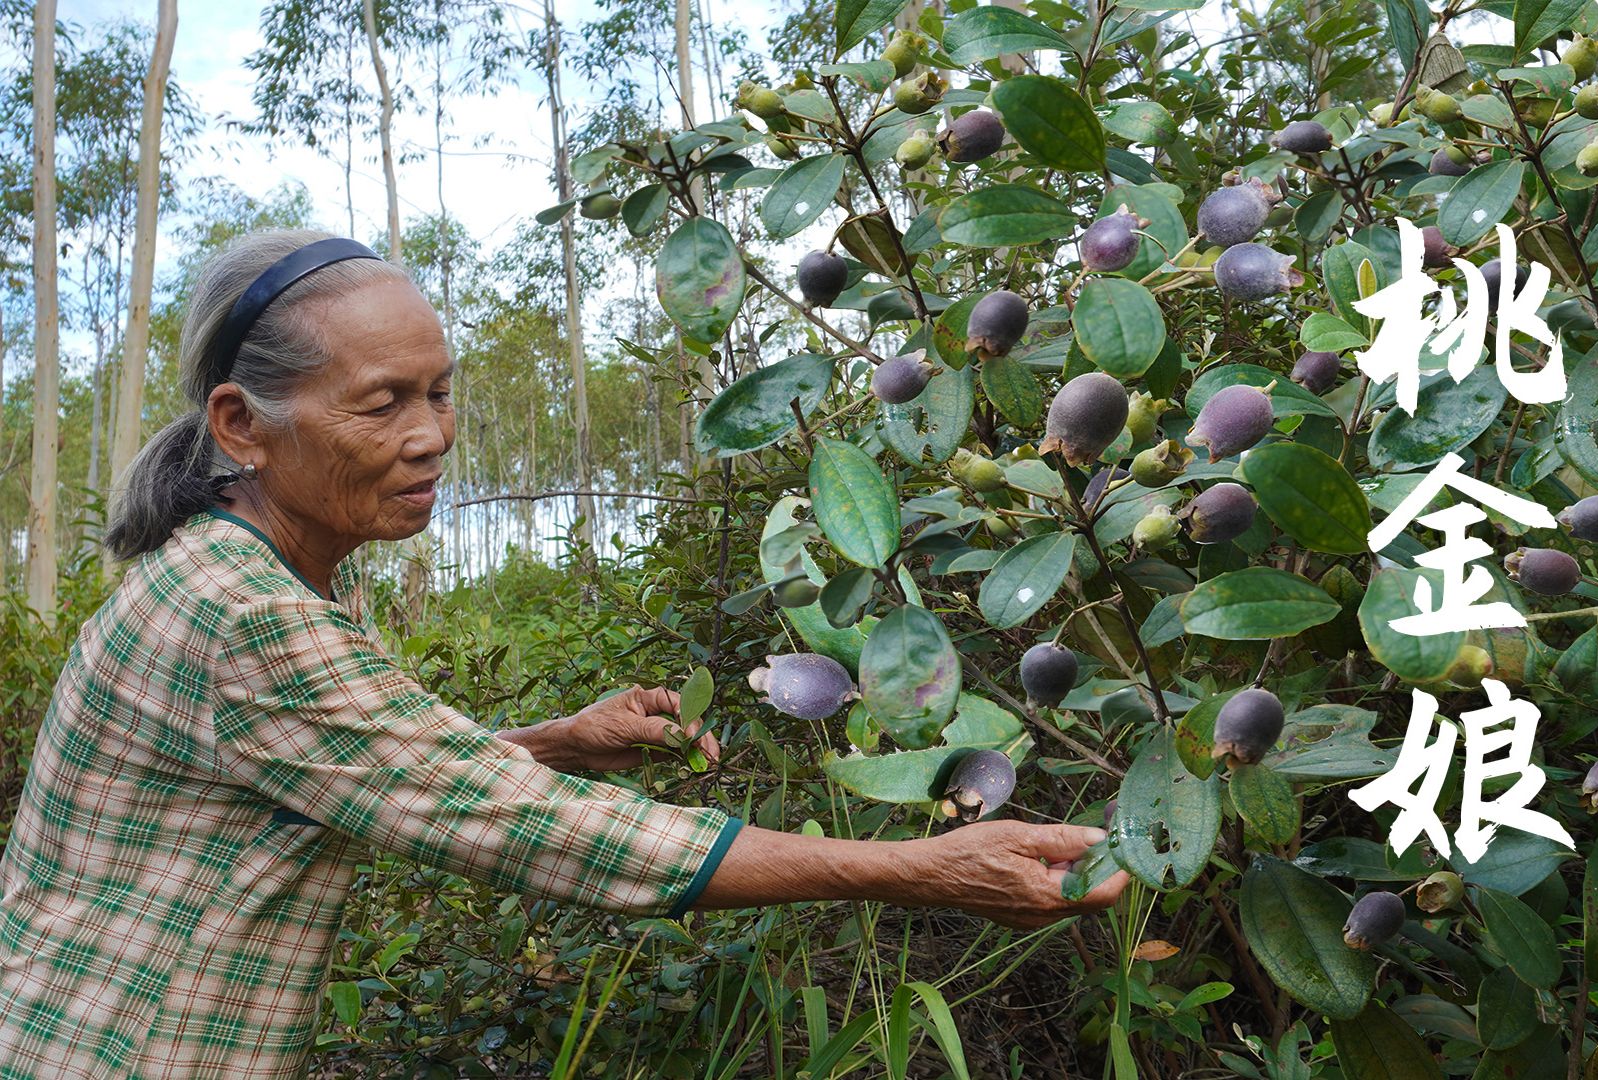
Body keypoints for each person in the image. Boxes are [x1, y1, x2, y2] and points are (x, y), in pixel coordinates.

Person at [0, 230, 1128, 1079]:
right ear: (243, 425)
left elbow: (342, 772)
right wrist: (922, 870)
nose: (432, 436)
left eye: (440, 394)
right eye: (383, 403)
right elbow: (556, 841)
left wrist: (559, 741)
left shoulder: (235, 574)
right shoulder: (245, 613)